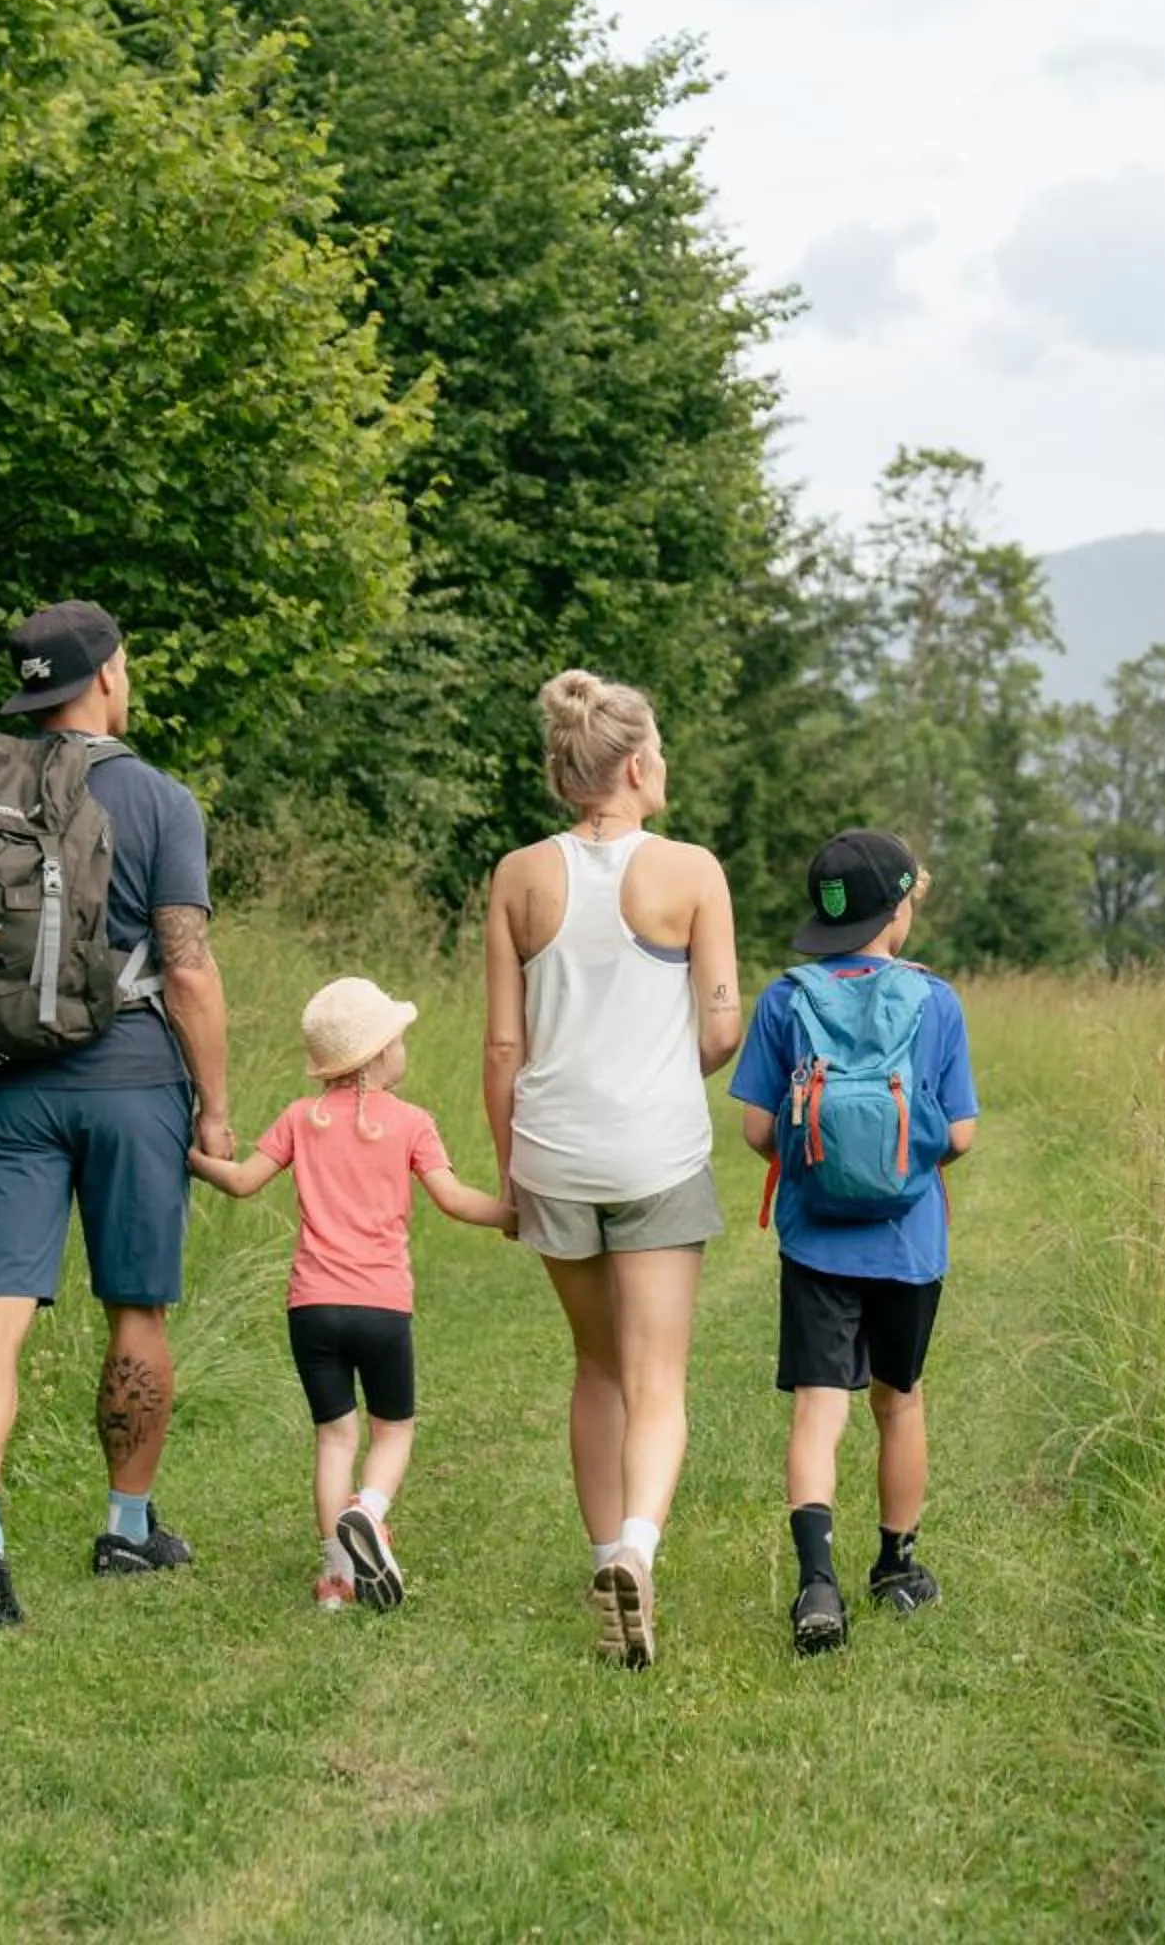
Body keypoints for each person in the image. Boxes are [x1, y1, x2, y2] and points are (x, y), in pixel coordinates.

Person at [0, 600, 233, 1630]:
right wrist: (219, 1109)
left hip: (0, 1076)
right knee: (137, 1310)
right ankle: (127, 1522)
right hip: (132, 1079)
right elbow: (187, 969)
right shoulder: (157, 797)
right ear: (105, 674)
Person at [483, 670, 741, 1668]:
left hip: (554, 1147)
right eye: (661, 749)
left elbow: (503, 1048)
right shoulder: (692, 871)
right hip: (656, 1147)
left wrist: (512, 1169)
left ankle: (603, 1552)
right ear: (636, 765)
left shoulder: (518, 875)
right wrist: (676, 1063)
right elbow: (720, 1023)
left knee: (594, 1365)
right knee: (657, 1373)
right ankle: (637, 1548)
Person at [186, 977, 511, 1612]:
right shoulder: (411, 1123)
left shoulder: (299, 1119)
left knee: (336, 1436)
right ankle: (369, 1510)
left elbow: (245, 1181)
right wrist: (513, 1215)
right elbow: (452, 1198)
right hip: (382, 1305)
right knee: (393, 1431)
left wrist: (193, 1159)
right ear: (381, 1051)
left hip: (311, 1307)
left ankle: (337, 1576)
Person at [730, 830, 979, 1656]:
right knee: (898, 1400)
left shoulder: (785, 998)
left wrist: (816, 1165)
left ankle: (815, 1583)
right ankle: (897, 1569)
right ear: (896, 911)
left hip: (815, 1244)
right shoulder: (935, 1001)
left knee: (819, 1407)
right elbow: (964, 1134)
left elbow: (758, 1129)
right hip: (908, 1246)